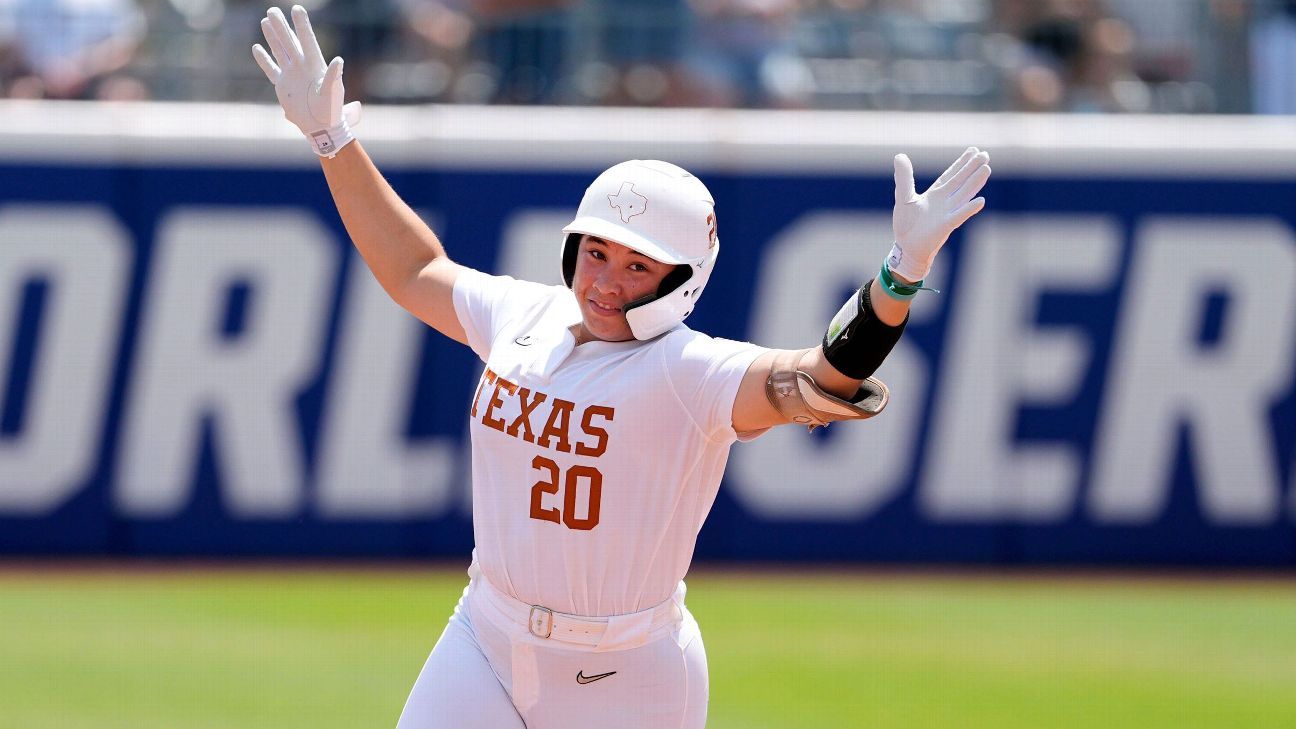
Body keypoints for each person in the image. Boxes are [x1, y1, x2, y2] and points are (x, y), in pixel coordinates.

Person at [253, 6, 990, 727]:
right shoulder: (524, 314)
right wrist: (332, 138)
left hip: (626, 674)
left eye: (639, 265)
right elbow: (415, 267)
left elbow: (827, 377)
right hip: (485, 634)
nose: (607, 280)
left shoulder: (694, 372)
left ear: (686, 278)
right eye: (596, 252)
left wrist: (899, 275)